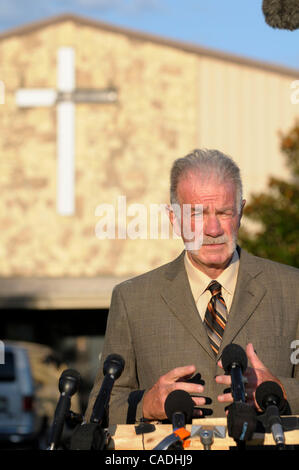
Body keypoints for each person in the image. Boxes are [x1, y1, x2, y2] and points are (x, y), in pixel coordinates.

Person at [85, 149, 299, 425]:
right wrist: (145, 405)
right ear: (174, 219)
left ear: (241, 212)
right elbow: (100, 407)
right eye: (197, 214)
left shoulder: (292, 289)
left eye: (224, 212)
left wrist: (280, 392)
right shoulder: (132, 300)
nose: (212, 229)